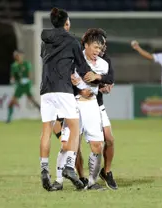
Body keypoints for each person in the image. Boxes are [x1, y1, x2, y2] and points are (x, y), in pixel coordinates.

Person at [52, 28, 118, 190]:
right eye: (95, 47)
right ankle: (59, 181)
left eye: (100, 48)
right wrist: (77, 87)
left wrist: (98, 78)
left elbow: (110, 78)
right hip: (73, 105)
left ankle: (91, 181)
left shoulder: (103, 63)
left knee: (97, 145)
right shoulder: (74, 59)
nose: (98, 51)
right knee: (67, 145)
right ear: (86, 45)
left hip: (92, 105)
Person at [39, 7, 96, 191]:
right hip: (63, 89)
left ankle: (44, 169)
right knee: (74, 125)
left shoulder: (44, 41)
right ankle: (70, 166)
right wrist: (93, 76)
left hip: (46, 90)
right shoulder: (72, 40)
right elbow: (81, 65)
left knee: (46, 130)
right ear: (66, 23)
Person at [7, 50, 40, 123]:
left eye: (19, 55)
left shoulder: (26, 64)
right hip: (20, 86)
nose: (18, 57)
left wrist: (25, 80)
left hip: (26, 85)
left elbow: (29, 75)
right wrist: (12, 80)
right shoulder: (14, 66)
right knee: (12, 102)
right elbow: (13, 76)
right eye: (16, 55)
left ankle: (42, 113)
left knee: (32, 100)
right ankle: (9, 118)